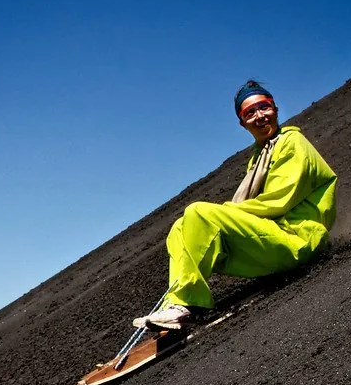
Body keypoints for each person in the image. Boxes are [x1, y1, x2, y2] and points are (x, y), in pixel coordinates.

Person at [133, 81, 338, 330]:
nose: (259, 116)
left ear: (275, 108)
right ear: (242, 123)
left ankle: (186, 305)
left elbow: (277, 201)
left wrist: (222, 214)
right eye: (250, 113)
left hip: (299, 240)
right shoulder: (259, 154)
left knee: (198, 213)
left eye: (264, 107)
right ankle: (178, 306)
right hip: (272, 240)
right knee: (180, 227)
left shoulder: (292, 142)